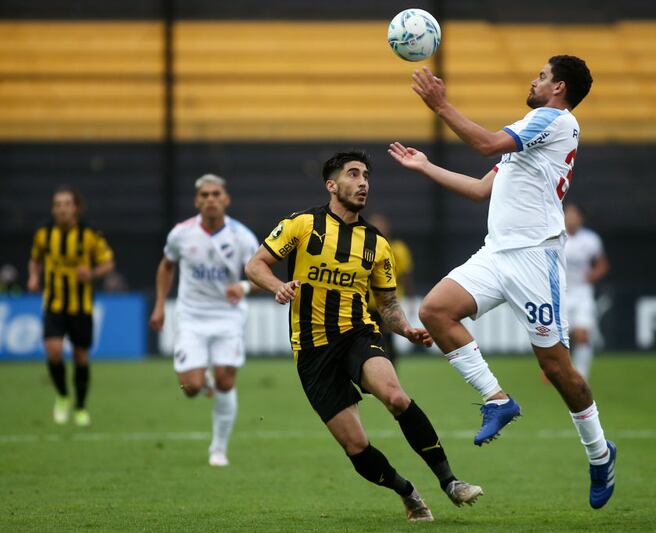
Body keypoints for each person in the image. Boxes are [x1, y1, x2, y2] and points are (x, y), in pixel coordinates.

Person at [388, 55, 616, 509]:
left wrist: (441, 106)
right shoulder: (531, 132)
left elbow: (487, 144)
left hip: (535, 256)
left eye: (543, 76)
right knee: (435, 311)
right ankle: (497, 399)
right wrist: (426, 166)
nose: (535, 80)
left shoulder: (552, 120)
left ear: (559, 87)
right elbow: (479, 188)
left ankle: (599, 452)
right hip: (496, 252)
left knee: (557, 368)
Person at [245, 150, 482, 522]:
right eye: (353, 174)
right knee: (356, 446)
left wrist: (405, 328)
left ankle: (450, 481)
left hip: (358, 334)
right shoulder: (301, 224)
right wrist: (277, 286)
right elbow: (255, 264)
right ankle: (406, 491)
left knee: (396, 396)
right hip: (311, 349)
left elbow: (387, 306)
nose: (363, 182)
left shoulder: (377, 243)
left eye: (366, 176)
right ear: (331, 184)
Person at [149, 174, 260, 467]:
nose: (210, 199)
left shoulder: (242, 237)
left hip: (228, 317)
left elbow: (262, 275)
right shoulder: (181, 234)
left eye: (216, 194)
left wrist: (244, 287)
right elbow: (166, 266)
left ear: (226, 199)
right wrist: (160, 305)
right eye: (205, 195)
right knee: (190, 388)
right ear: (197, 200)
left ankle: (218, 449)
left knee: (226, 382)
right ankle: (203, 380)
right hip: (192, 317)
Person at [28, 186, 115, 427]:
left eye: (67, 204)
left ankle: (80, 406)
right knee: (54, 351)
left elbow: (108, 263)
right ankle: (63, 396)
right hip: (54, 304)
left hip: (81, 307)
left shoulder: (89, 234)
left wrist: (92, 272)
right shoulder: (44, 233)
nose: (62, 209)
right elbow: (35, 259)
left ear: (75, 207)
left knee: (80, 356)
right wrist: (34, 277)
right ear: (53, 208)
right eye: (58, 204)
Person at [564, 202, 609, 379]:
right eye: (567, 213)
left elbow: (602, 265)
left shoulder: (590, 240)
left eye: (573, 214)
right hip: (561, 292)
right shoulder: (555, 237)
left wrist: (592, 276)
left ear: (581, 218)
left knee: (582, 335)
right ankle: (560, 371)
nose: (570, 217)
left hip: (582, 293)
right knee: (560, 338)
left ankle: (581, 376)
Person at [367, 213, 415, 365]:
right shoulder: (363, 248)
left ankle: (390, 371)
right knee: (368, 339)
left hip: (388, 302)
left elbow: (405, 275)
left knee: (387, 338)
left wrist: (411, 299)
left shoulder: (398, 249)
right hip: (366, 303)